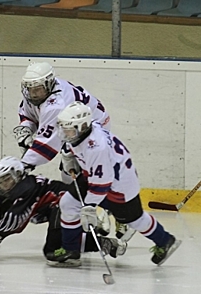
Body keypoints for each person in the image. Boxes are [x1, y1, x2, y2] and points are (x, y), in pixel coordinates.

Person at [48, 101, 182, 267]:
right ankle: (71, 250)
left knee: (135, 220)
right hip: (97, 177)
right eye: (63, 128)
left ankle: (165, 240)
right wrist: (69, 157)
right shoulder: (84, 131)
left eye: (68, 129)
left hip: (120, 187)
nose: (64, 133)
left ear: (82, 126)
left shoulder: (96, 148)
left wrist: (89, 207)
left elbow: (102, 184)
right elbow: (75, 148)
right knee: (68, 203)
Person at [13, 61, 134, 241]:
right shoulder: (37, 93)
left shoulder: (57, 103)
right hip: (72, 128)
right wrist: (26, 129)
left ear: (48, 84)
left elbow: (47, 147)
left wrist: (24, 165)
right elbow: (29, 115)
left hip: (92, 127)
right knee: (70, 176)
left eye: (37, 89)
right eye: (30, 89)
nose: (33, 93)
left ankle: (124, 215)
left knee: (86, 177)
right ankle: (87, 214)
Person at [0, 156, 126, 268]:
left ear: (18, 173)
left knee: (52, 251)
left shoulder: (26, 187)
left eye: (7, 179)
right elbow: (0, 216)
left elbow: (18, 218)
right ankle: (97, 237)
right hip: (56, 207)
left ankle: (96, 241)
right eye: (0, 182)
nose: (4, 185)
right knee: (56, 246)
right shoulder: (9, 193)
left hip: (64, 203)